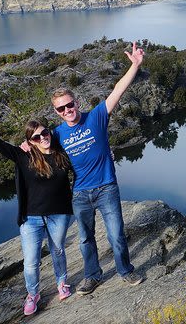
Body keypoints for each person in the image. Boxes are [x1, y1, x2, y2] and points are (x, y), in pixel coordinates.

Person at [0, 109, 73, 316]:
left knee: (58, 251)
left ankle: (62, 283)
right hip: (32, 218)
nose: (43, 138)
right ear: (30, 141)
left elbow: (83, 162)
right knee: (31, 261)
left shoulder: (62, 153)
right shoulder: (22, 156)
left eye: (45, 133)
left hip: (59, 214)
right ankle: (33, 294)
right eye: (36, 136)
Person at [49, 40, 145, 295]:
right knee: (84, 239)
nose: (68, 110)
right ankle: (93, 276)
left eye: (70, 104)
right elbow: (38, 141)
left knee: (116, 235)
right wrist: (28, 145)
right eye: (62, 108)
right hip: (80, 193)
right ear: (56, 112)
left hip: (106, 188)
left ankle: (125, 270)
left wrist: (134, 66)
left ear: (76, 102)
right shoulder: (56, 134)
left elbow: (117, 91)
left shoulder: (96, 116)